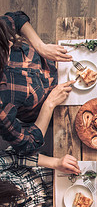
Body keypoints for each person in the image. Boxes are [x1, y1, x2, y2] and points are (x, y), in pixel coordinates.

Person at [0, 11, 74, 153]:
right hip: (58, 108)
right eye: (7, 47)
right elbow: (28, 144)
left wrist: (41, 47)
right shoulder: (2, 106)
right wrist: (50, 104)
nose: (11, 43)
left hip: (60, 63)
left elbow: (17, 18)